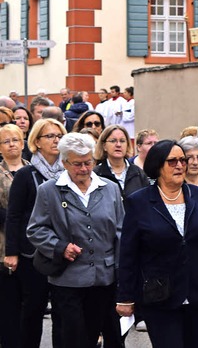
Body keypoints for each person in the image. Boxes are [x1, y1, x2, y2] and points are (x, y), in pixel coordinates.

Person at [116, 140, 198, 348]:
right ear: (157, 166)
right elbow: (129, 253)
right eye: (172, 161)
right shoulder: (139, 202)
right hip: (161, 299)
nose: (180, 165)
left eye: (182, 160)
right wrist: (125, 297)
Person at [26, 133, 124, 348]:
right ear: (64, 163)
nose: (84, 169)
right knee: (72, 339)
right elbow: (35, 229)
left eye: (88, 162)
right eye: (77, 164)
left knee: (99, 335)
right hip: (68, 279)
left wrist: (120, 271)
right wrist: (59, 247)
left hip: (104, 278)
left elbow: (120, 231)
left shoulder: (110, 188)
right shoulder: (49, 191)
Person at [4, 118, 67, 348]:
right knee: (33, 309)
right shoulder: (26, 174)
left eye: (59, 136)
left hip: (63, 249)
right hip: (33, 252)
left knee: (63, 309)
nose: (56, 140)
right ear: (37, 142)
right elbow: (14, 215)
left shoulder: (68, 172)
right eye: (50, 136)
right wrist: (11, 252)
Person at [0, 123, 29, 348]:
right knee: (8, 305)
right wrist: (15, 216)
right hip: (3, 246)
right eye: (6, 141)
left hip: (29, 245)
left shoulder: (31, 170)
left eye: (15, 140)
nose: (11, 145)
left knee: (28, 307)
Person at [93, 124, 149, 199]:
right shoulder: (96, 174)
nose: (118, 145)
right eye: (113, 141)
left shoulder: (139, 173)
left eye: (122, 141)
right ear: (104, 146)